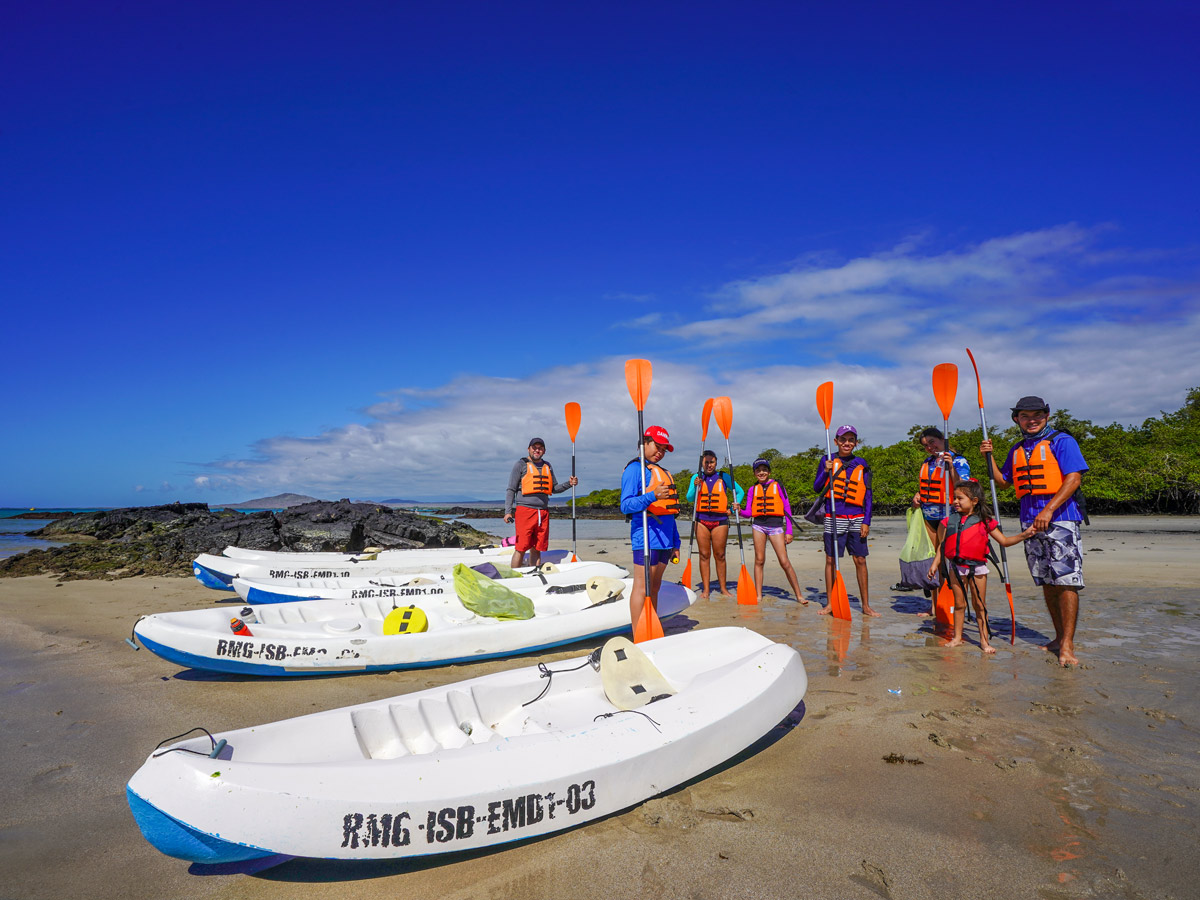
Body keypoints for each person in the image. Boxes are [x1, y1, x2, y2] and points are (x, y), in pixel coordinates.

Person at [980, 396, 1090, 667]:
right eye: (1025, 416)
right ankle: (1057, 636)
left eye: (1037, 415)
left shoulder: (1062, 441)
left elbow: (1073, 478)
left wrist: (1049, 510)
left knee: (1066, 581)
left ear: (1047, 416)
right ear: (1016, 419)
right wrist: (989, 458)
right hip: (1030, 522)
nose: (1032, 420)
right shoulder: (1017, 448)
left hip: (1060, 519)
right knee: (1046, 580)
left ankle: (1067, 643)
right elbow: (1003, 482)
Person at [927, 480, 1035, 653]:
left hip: (977, 568)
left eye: (960, 498)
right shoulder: (947, 522)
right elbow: (942, 545)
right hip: (956, 568)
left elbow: (1004, 541)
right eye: (954, 498)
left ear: (974, 501)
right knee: (959, 604)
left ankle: (984, 641)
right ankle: (957, 637)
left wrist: (1024, 535)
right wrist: (935, 564)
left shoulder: (985, 521)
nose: (955, 501)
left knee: (980, 605)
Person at [619, 426, 682, 631]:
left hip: (666, 539)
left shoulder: (662, 472)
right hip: (646, 537)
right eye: (657, 446)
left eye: (664, 449)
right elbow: (626, 505)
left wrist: (676, 542)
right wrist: (652, 496)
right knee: (642, 587)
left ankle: (651, 626)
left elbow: (670, 513)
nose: (660, 452)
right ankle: (639, 632)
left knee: (655, 586)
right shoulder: (634, 469)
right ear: (644, 443)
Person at [814, 425, 878, 617]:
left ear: (856, 443)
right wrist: (825, 472)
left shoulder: (862, 463)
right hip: (834, 517)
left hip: (857, 518)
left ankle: (865, 606)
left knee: (860, 560)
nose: (847, 443)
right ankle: (830, 604)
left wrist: (866, 521)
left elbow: (868, 495)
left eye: (851, 440)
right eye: (843, 439)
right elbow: (818, 488)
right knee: (831, 560)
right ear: (836, 441)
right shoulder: (827, 460)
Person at [911, 427, 971, 617]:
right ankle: (935, 605)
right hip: (929, 516)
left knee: (947, 561)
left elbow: (963, 486)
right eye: (926, 445)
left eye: (932, 442)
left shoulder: (958, 460)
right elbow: (927, 485)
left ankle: (954, 604)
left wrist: (951, 466)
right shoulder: (927, 463)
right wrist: (917, 496)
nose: (929, 447)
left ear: (942, 439)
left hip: (950, 516)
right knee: (933, 562)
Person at [738, 458, 807, 605]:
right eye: (758, 470)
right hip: (758, 526)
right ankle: (758, 595)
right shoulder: (752, 489)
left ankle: (799, 595)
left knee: (784, 561)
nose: (761, 472)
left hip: (775, 526)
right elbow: (749, 512)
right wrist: (739, 510)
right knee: (759, 560)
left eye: (764, 470)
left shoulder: (778, 486)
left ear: (769, 472)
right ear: (754, 473)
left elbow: (787, 509)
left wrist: (789, 531)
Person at [503, 437, 577, 569]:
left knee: (537, 548)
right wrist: (508, 512)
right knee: (521, 547)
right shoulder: (520, 464)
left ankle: (534, 573)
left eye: (540, 448)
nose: (537, 450)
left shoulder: (547, 466)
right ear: (529, 449)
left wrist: (569, 484)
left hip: (543, 512)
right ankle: (513, 577)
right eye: (534, 448)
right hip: (525, 511)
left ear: (544, 451)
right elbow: (511, 489)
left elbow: (554, 488)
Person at [684, 449, 746, 599]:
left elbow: (740, 492)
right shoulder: (696, 477)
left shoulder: (724, 477)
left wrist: (732, 508)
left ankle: (723, 588)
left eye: (712, 462)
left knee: (720, 555)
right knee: (704, 555)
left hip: (720, 521)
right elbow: (690, 498)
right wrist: (696, 486)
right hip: (701, 520)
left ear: (716, 462)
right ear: (702, 463)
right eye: (706, 462)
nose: (709, 465)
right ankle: (706, 590)